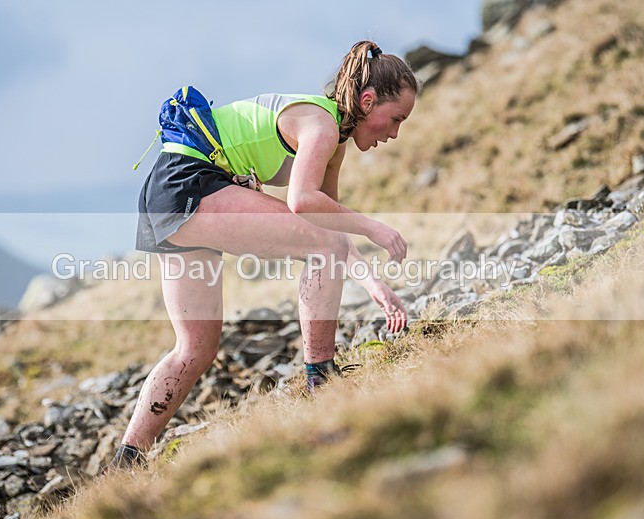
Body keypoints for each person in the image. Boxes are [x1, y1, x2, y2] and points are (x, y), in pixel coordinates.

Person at [111, 40, 422, 468]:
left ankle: (126, 460)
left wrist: (373, 284)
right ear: (368, 102)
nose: (395, 132)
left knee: (195, 347)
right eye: (396, 118)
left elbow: (326, 222)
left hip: (167, 194)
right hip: (189, 184)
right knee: (322, 246)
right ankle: (321, 379)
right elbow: (302, 203)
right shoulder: (322, 125)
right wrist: (375, 227)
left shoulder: (333, 141)